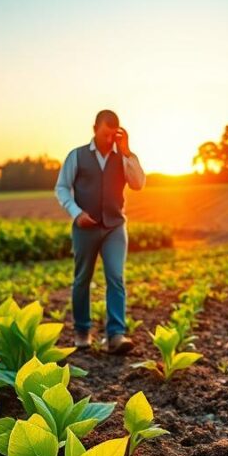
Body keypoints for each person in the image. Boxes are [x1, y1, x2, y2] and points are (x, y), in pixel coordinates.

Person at [54, 109, 146, 354]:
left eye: (112, 135)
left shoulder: (124, 157)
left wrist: (127, 151)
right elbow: (62, 188)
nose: (108, 140)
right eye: (105, 134)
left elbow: (138, 184)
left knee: (115, 277)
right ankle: (82, 330)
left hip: (115, 227)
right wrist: (76, 213)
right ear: (94, 129)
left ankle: (116, 335)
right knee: (82, 279)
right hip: (85, 227)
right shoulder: (77, 156)